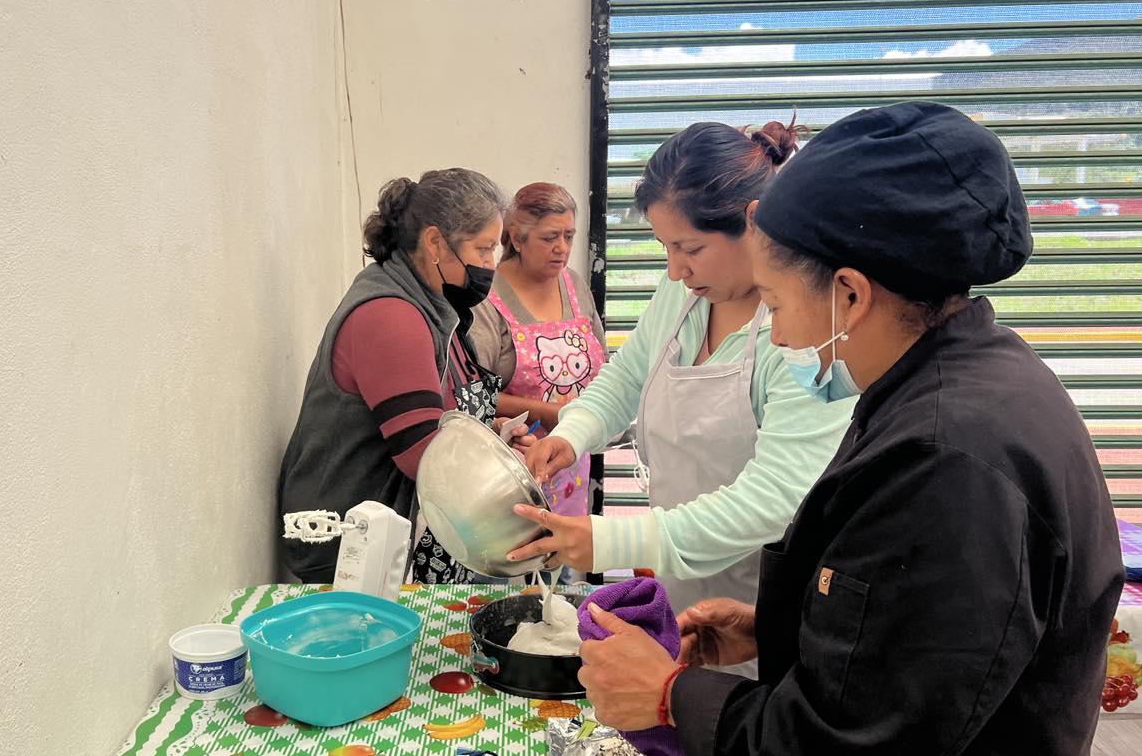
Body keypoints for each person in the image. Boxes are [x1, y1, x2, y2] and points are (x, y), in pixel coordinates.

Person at [578, 102, 1124, 756]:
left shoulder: (951, 458)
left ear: (850, 293)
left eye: (774, 301)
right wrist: (783, 624)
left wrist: (669, 698)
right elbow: (921, 646)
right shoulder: (954, 383)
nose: (781, 336)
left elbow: (854, 748)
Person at [511, 121, 855, 615]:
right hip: (677, 571)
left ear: (755, 223)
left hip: (761, 600)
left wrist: (617, 540)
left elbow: (777, 496)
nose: (675, 269)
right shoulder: (684, 294)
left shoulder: (804, 333)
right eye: (665, 247)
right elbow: (629, 373)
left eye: (691, 249)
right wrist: (573, 434)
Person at [278, 169, 507, 584]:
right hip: (345, 547)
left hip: (384, 533)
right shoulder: (391, 316)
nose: (491, 265)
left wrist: (498, 438)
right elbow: (426, 458)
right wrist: (505, 470)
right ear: (435, 242)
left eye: (495, 250)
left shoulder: (428, 302)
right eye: (483, 248)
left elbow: (437, 411)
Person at [469, 183, 606, 517]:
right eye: (549, 238)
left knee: (565, 561)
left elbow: (605, 366)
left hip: (570, 466)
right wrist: (548, 412)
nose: (562, 248)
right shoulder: (488, 299)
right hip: (510, 467)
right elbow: (473, 394)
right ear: (517, 239)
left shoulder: (573, 285)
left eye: (569, 236)